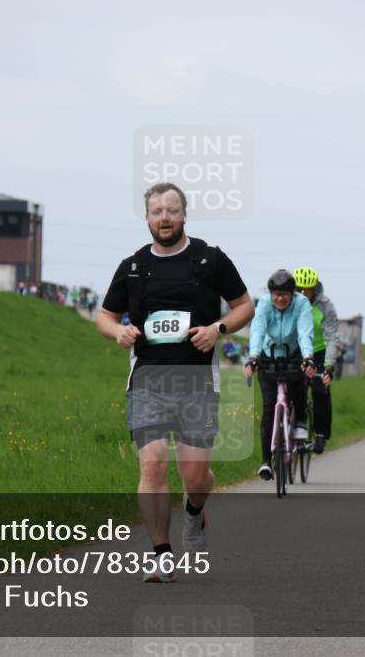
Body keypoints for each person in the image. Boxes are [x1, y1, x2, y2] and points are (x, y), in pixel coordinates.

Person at [96, 182, 253, 582]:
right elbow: (105, 316)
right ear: (147, 218)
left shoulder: (209, 259)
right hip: (148, 379)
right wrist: (118, 332)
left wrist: (217, 329)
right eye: (156, 211)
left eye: (171, 210)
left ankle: (195, 512)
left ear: (184, 215)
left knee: (195, 478)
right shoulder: (133, 266)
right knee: (151, 464)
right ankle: (162, 554)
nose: (163, 217)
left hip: (196, 380)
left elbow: (245, 306)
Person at [244, 270, 319, 479]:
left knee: (298, 387)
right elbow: (257, 330)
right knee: (269, 407)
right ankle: (266, 462)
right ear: (271, 294)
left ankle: (301, 422)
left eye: (284, 294)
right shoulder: (265, 304)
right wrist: (254, 356)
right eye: (276, 294)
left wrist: (308, 357)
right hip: (268, 354)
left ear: (292, 294)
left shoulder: (302, 303)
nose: (280, 298)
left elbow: (305, 331)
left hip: (294, 353)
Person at [292, 267, 338, 453]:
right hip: (295, 351)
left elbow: (331, 337)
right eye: (300, 289)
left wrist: (328, 366)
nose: (304, 293)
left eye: (308, 290)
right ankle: (295, 430)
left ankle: (320, 434)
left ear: (315, 288)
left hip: (319, 351)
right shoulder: (288, 302)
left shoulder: (325, 305)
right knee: (295, 388)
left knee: (321, 390)